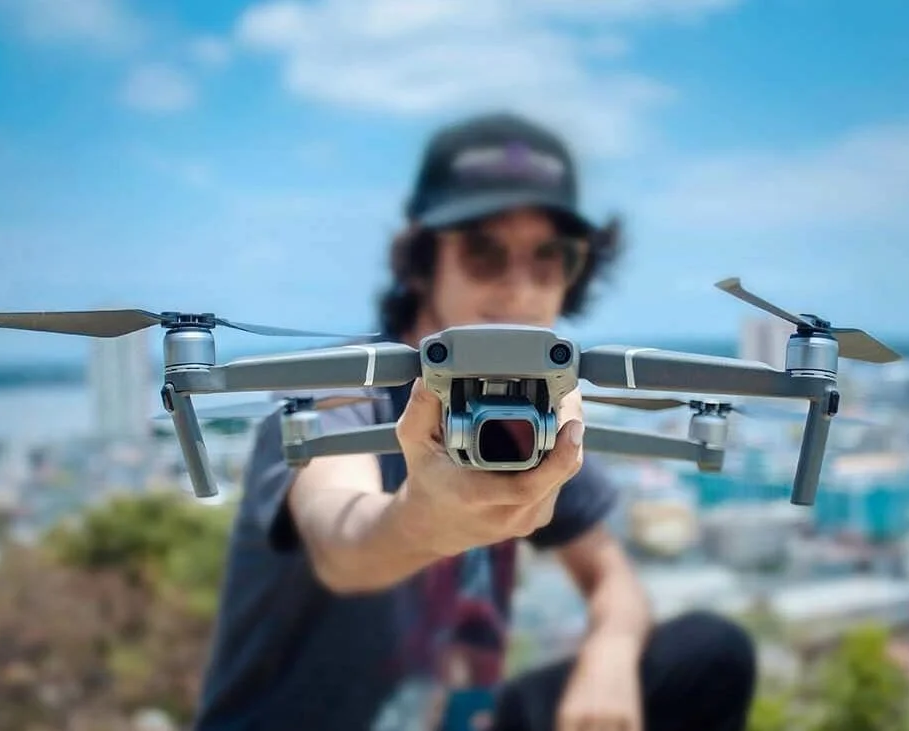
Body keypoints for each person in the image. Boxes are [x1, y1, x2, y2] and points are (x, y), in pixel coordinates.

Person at [193, 112, 757, 731]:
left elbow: (611, 577)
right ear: (422, 263)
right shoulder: (338, 387)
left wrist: (612, 652)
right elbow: (342, 544)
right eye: (484, 253)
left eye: (550, 260)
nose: (519, 290)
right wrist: (422, 521)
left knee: (708, 654)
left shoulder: (533, 408)